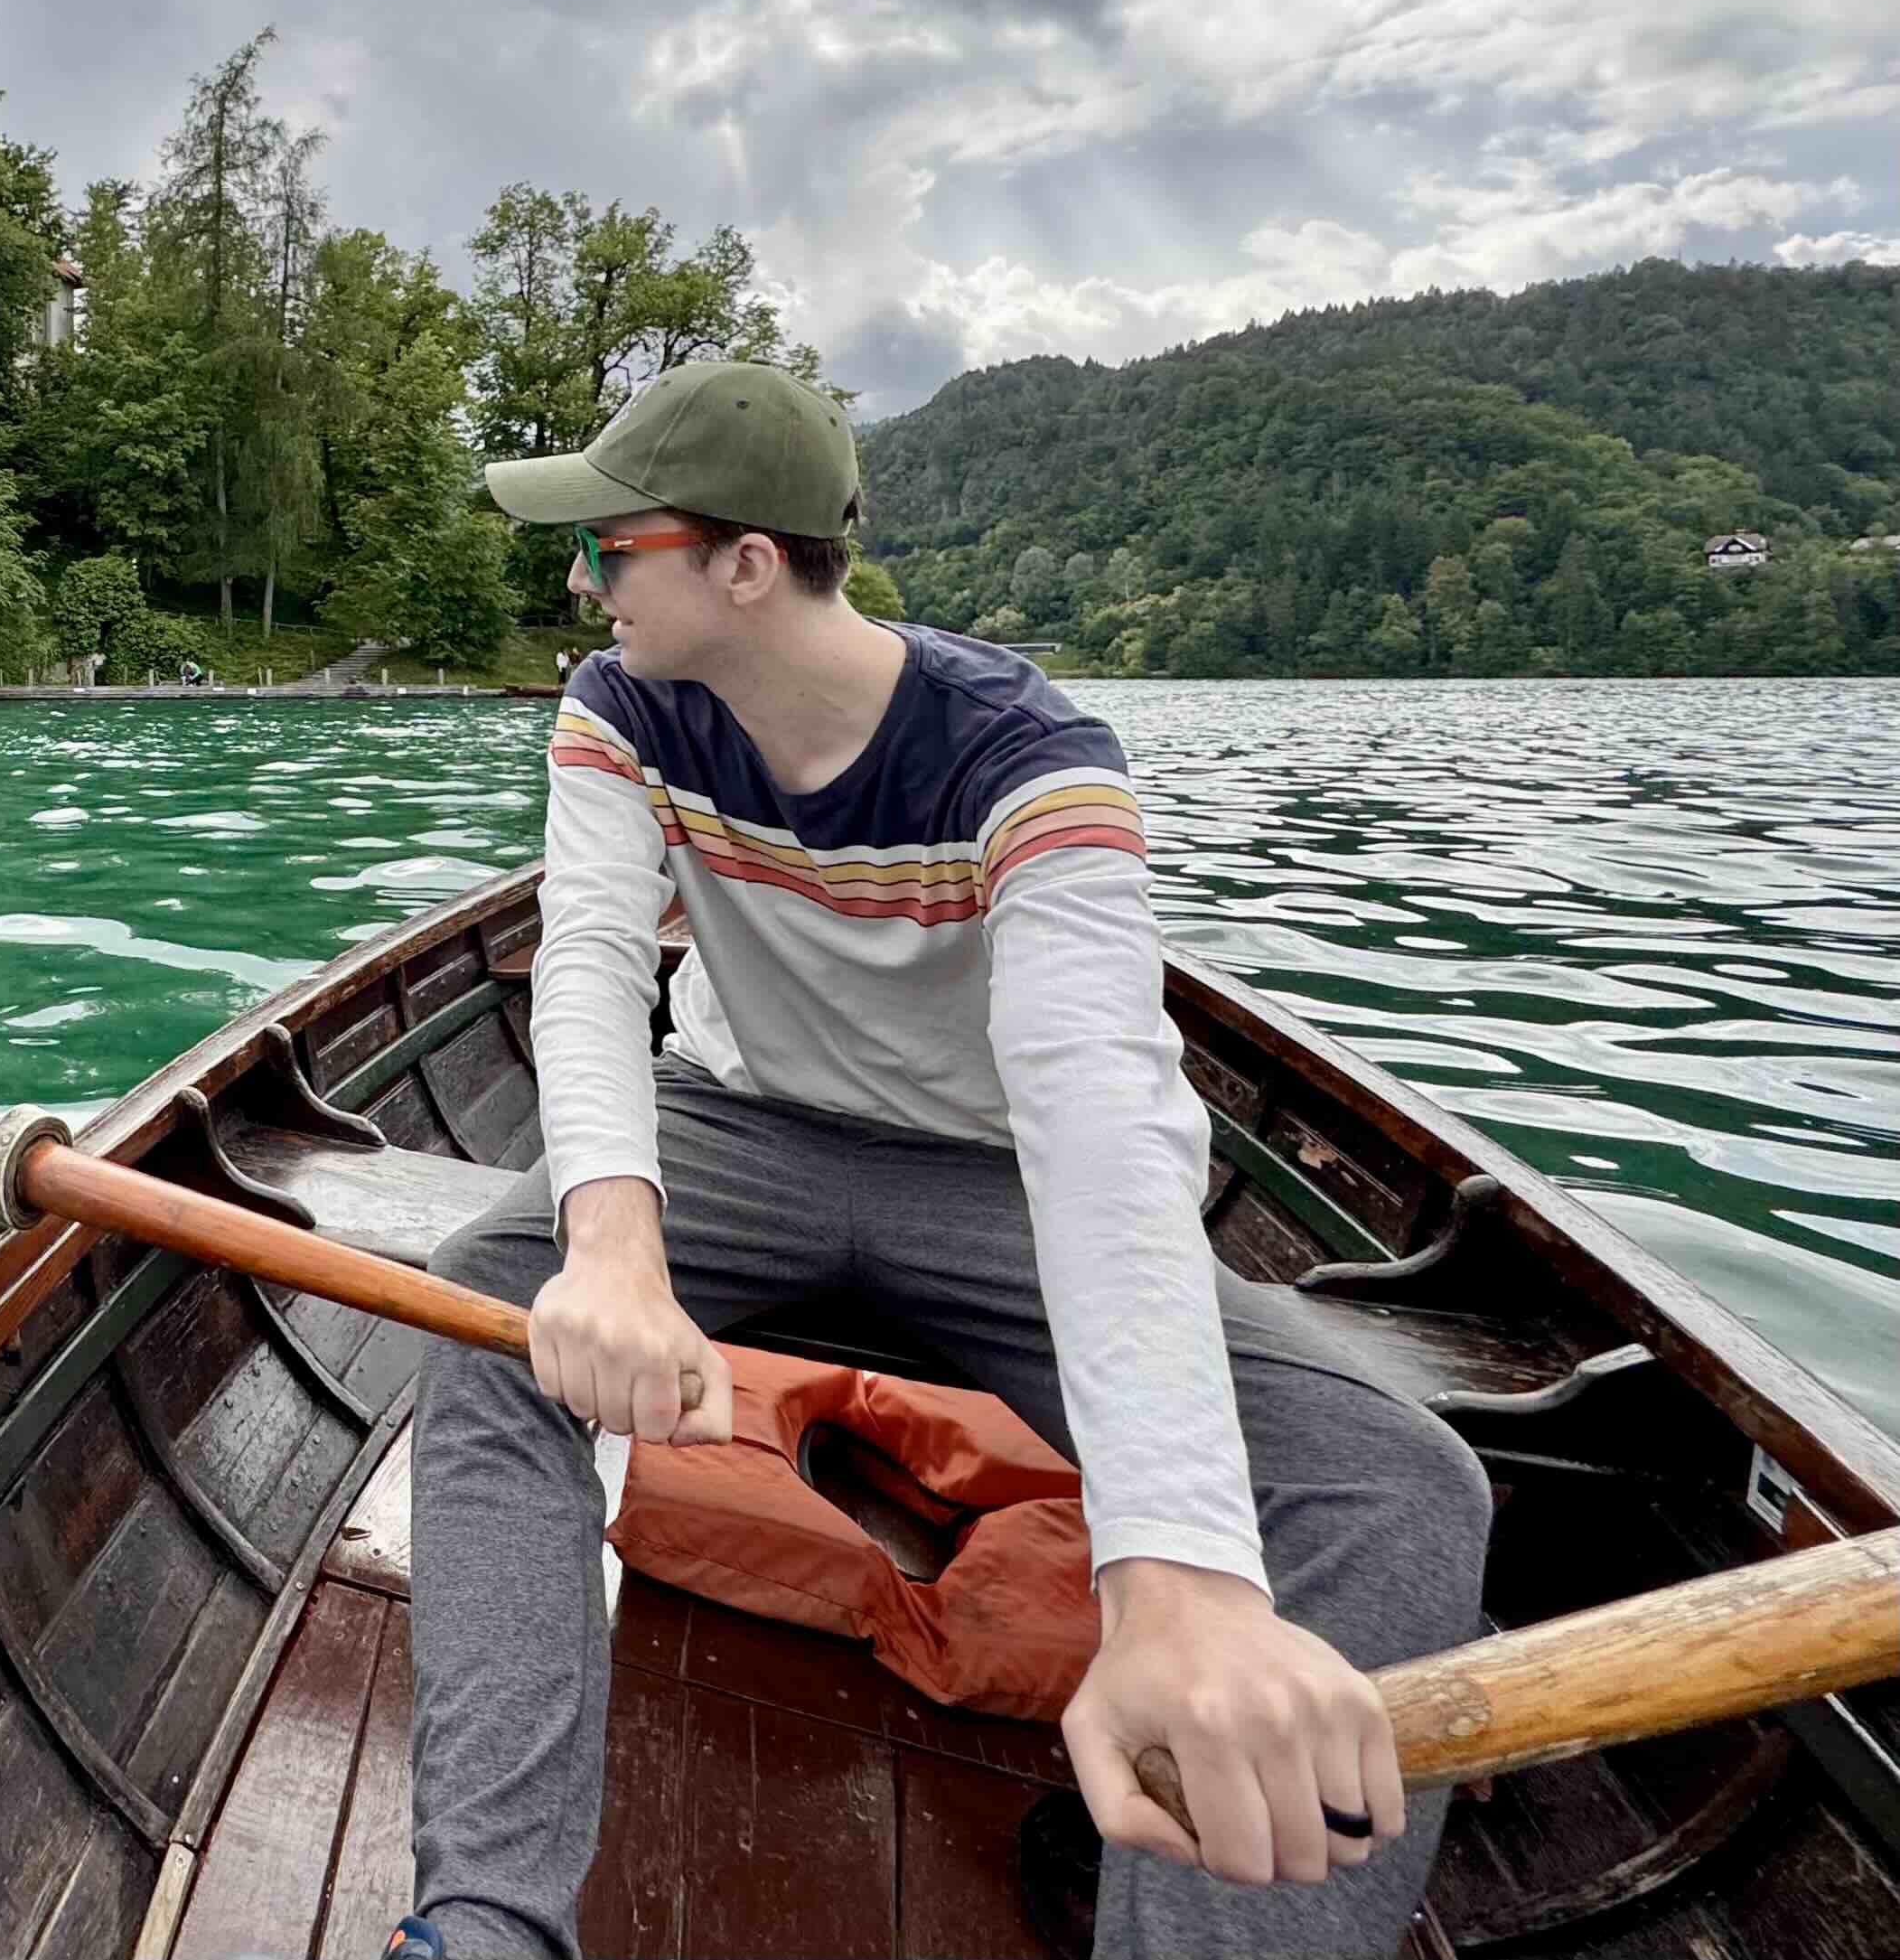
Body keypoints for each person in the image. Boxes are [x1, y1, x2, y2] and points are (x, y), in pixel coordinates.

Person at [395, 360, 1490, 1960]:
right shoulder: (617, 705)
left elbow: (1095, 1106)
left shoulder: (1030, 756)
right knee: (485, 1322)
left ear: (741, 564)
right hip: (737, 1132)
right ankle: (483, 1927)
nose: (577, 577)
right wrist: (611, 1251)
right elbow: (583, 964)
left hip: (995, 1181)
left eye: (607, 547)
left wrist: (1181, 1572)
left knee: (1397, 1483)